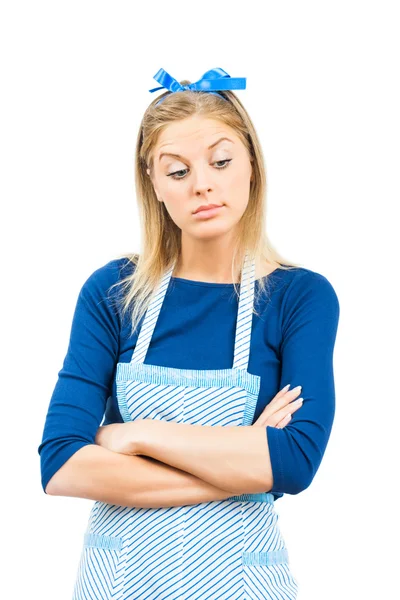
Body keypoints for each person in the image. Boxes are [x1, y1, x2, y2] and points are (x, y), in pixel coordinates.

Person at [38, 67, 340, 600]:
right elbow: (62, 464)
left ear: (251, 165)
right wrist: (245, 464)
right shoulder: (112, 292)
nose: (203, 183)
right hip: (120, 584)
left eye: (221, 161)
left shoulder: (301, 298)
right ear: (152, 183)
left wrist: (136, 436)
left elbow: (295, 461)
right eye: (177, 171)